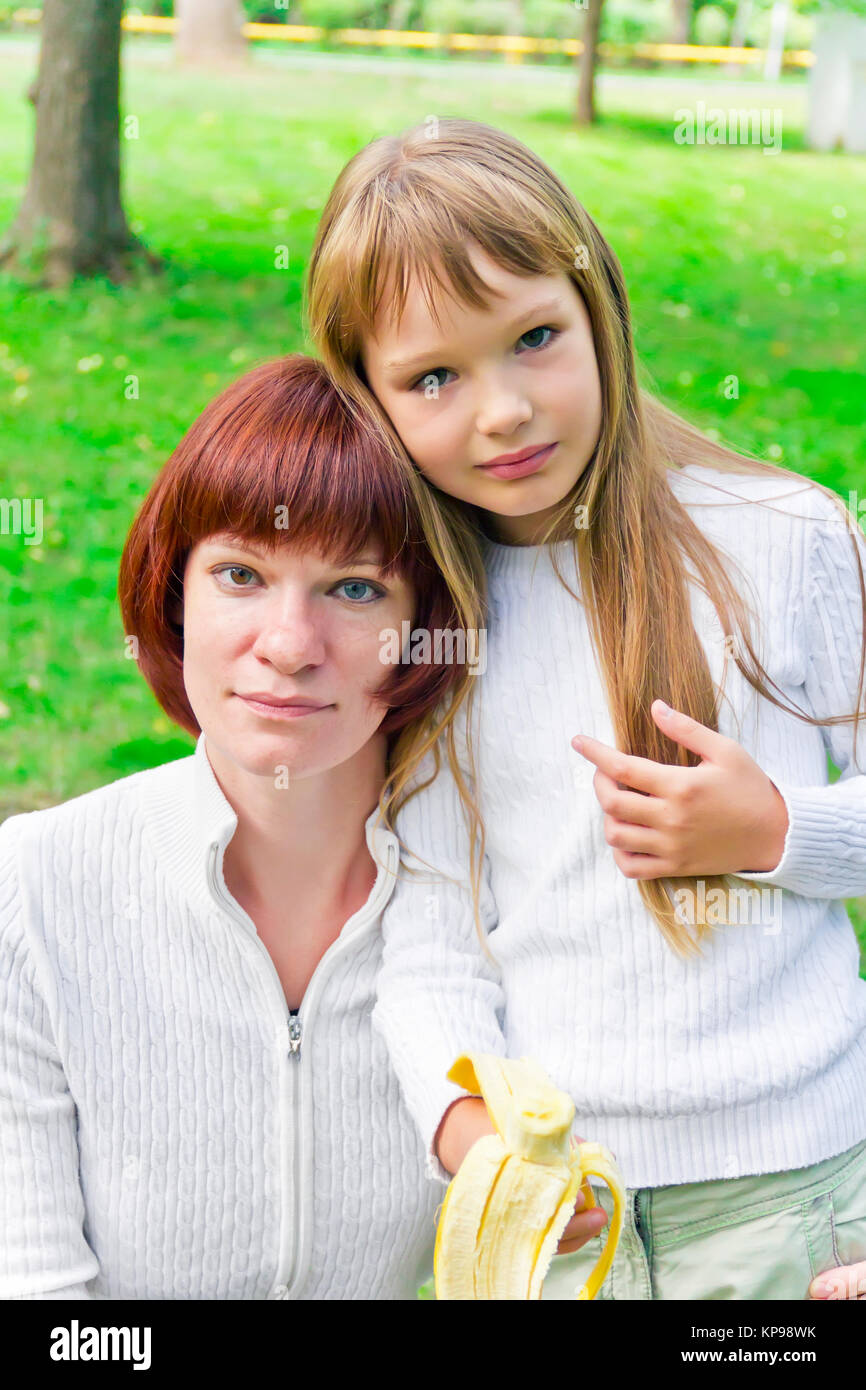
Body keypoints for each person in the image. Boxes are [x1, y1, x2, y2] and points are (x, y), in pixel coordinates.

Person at [304, 118, 866, 1299]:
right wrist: (470, 1134)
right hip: (560, 1224)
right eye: (434, 377)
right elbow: (428, 937)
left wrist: (775, 835)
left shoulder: (780, 541)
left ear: (596, 305)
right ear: (371, 398)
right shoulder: (418, 618)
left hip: (796, 1197)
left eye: (534, 338)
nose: (502, 410)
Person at [3, 353, 611, 1301]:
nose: (288, 646)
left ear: (428, 627)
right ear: (173, 590)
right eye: (240, 574)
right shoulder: (33, 888)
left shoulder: (508, 897)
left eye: (356, 590)